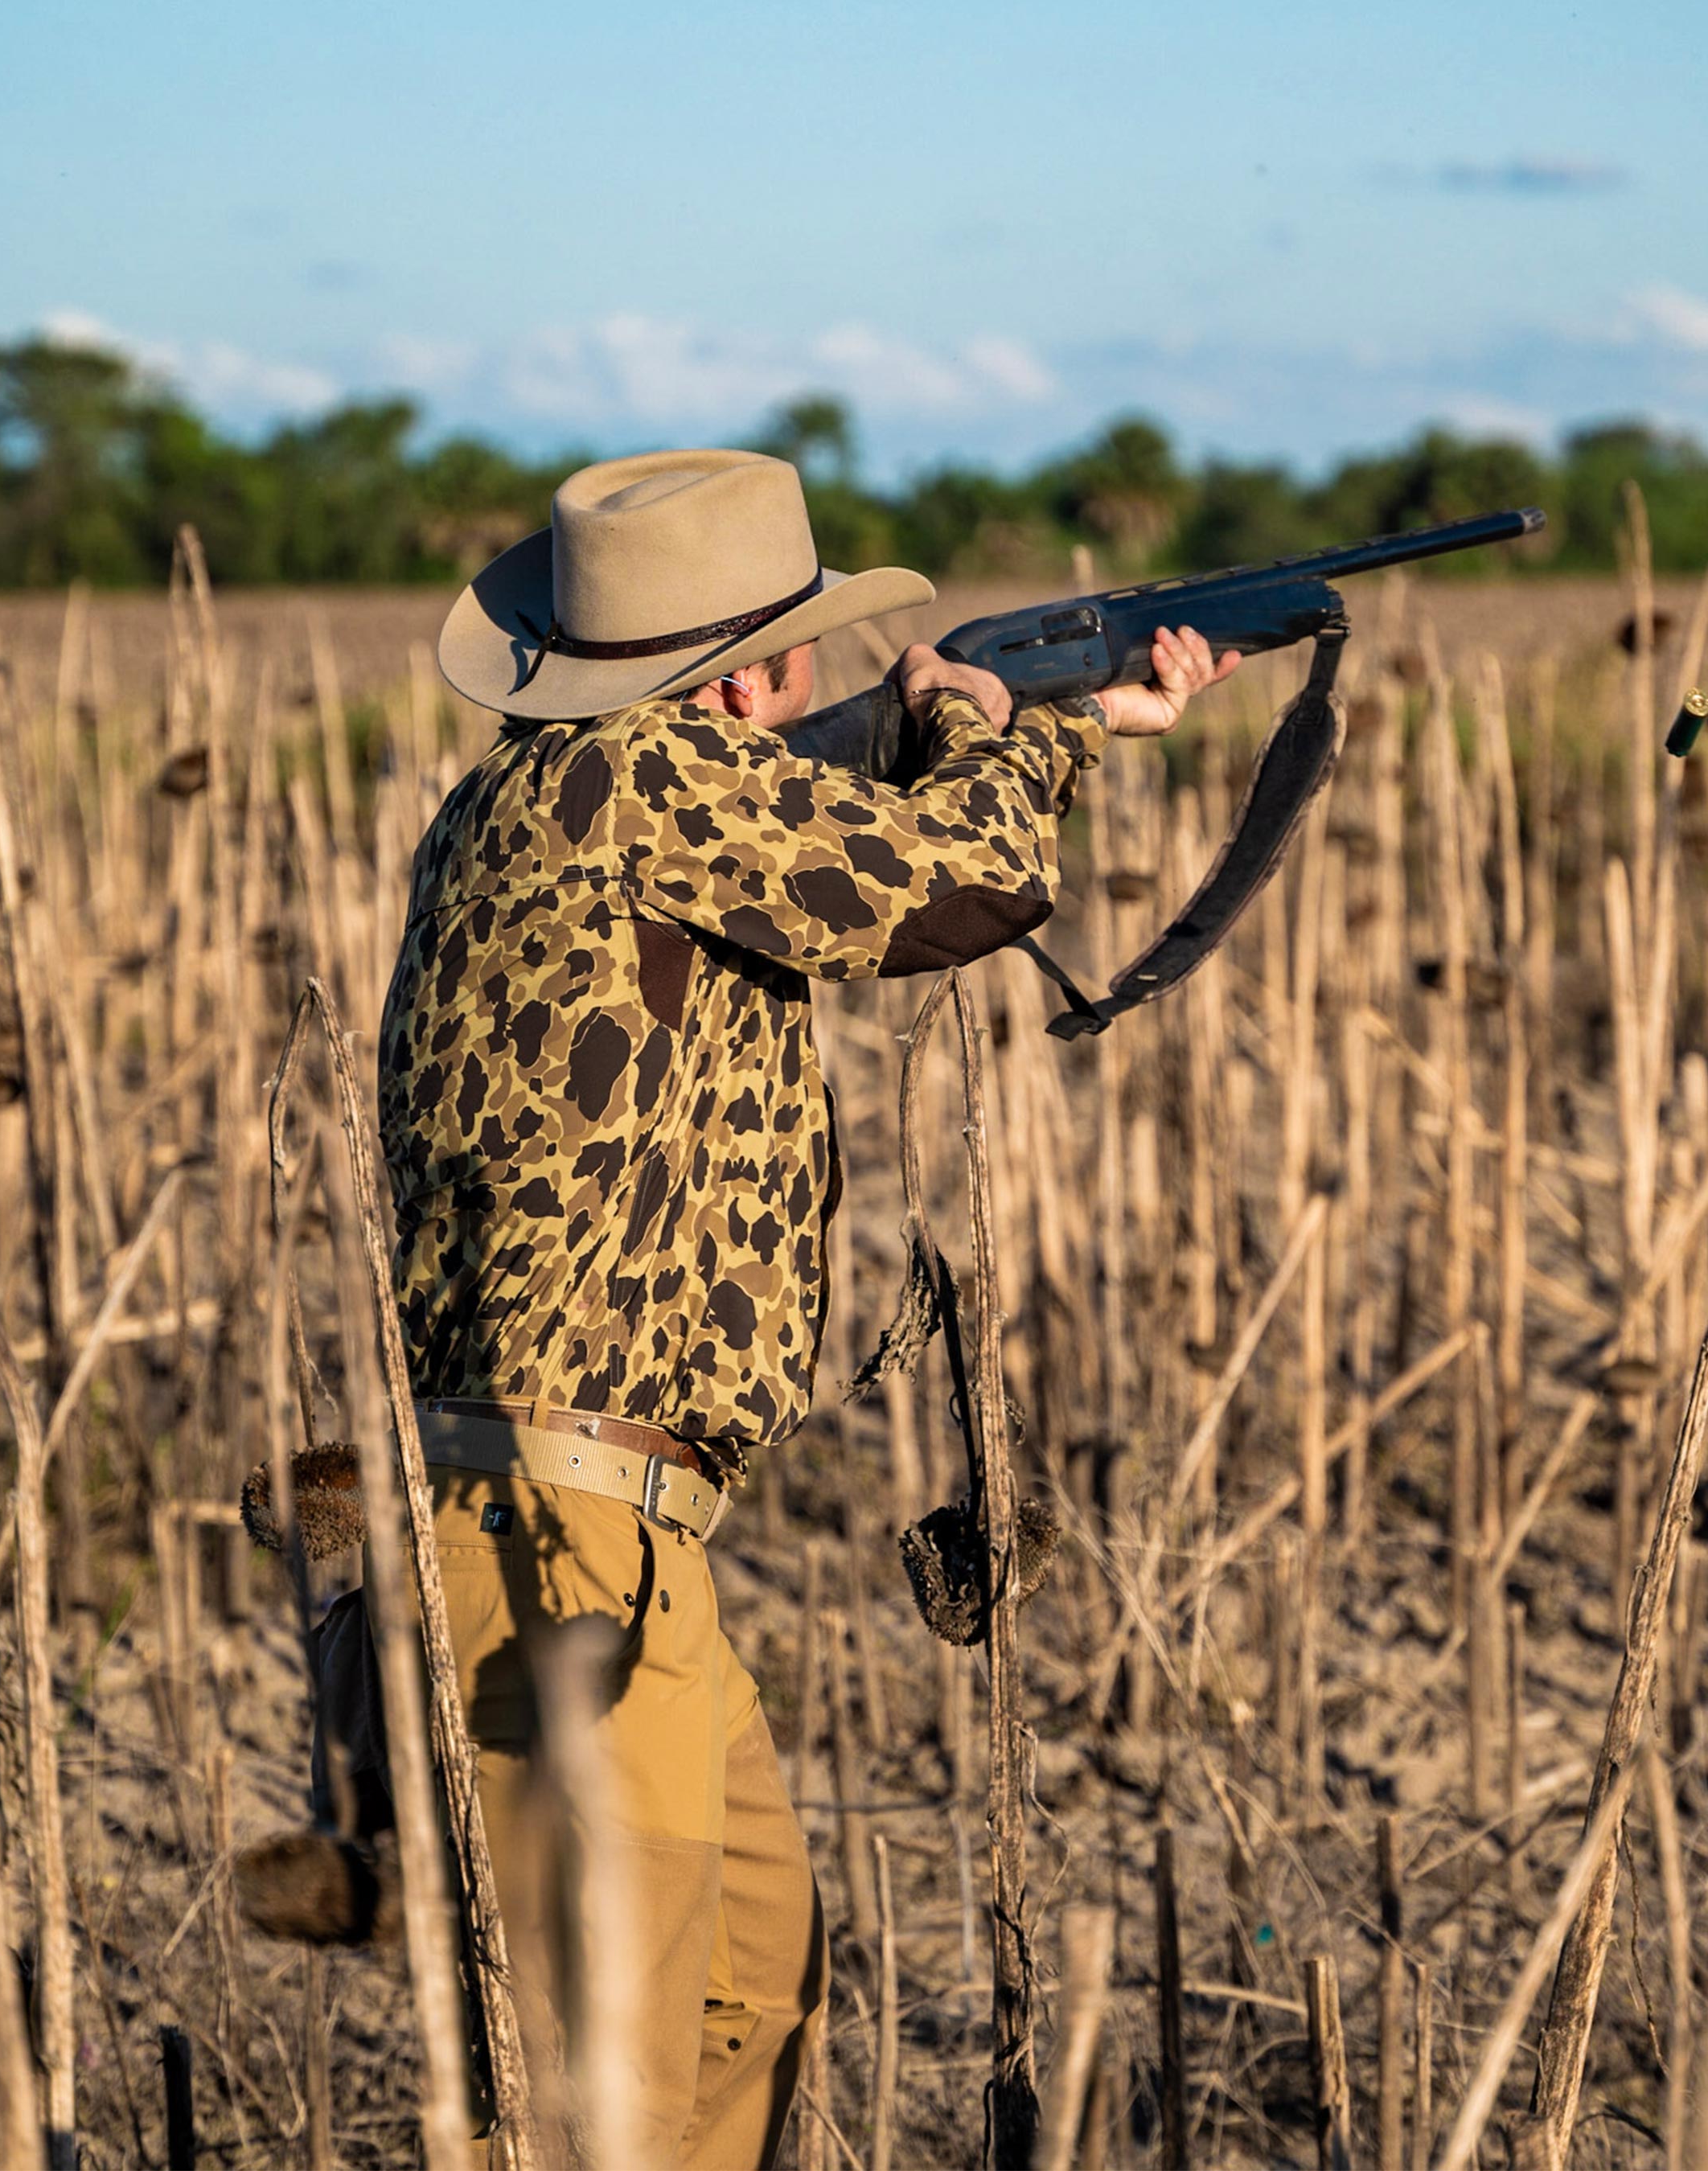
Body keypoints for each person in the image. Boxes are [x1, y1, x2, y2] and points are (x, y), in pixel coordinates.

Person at [377, 448, 1236, 2168]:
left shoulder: (538, 788)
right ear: (751, 674)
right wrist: (1034, 731)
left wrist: (953, 727)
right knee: (599, 2090)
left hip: (615, 1522)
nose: (814, 691)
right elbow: (960, 891)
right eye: (801, 665)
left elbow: (810, 818)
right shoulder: (646, 783)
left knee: (750, 1992)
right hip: (550, 1527)